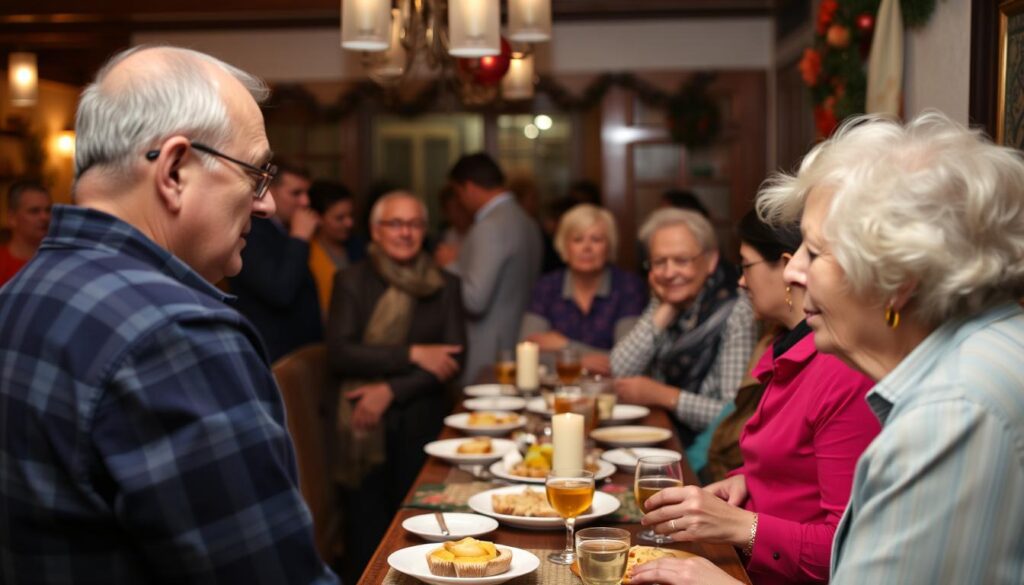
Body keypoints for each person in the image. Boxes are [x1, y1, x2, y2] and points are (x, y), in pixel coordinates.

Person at [0, 46, 337, 584]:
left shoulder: (19, 295)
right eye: (256, 173)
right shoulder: (179, 335)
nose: (267, 204)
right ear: (175, 170)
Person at [641, 112, 1024, 584]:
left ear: (897, 278)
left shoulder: (947, 414)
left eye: (815, 253)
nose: (793, 272)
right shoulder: (989, 345)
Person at [635, 210, 879, 585]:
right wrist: (750, 479)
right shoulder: (785, 349)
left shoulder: (842, 371)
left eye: (746, 266)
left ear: (787, 268)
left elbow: (847, 552)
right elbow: (801, 468)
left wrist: (740, 525)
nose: (742, 282)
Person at [326, 191, 465, 583]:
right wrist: (413, 353)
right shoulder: (351, 281)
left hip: (424, 422)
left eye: (415, 224)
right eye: (395, 223)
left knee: (423, 530)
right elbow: (341, 352)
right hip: (361, 426)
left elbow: (455, 359)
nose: (405, 233)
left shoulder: (445, 284)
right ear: (375, 230)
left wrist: (391, 390)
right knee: (366, 533)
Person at [611, 208, 756, 444]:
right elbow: (620, 370)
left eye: (681, 260)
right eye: (659, 262)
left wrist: (663, 395)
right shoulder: (666, 298)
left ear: (710, 261)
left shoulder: (736, 309)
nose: (669, 273)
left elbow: (732, 415)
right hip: (664, 437)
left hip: (710, 456)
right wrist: (666, 308)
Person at [437, 153, 542, 384]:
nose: (460, 202)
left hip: (488, 350)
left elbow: (475, 300)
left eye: (458, 193)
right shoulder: (526, 220)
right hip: (517, 341)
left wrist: (450, 265)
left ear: (469, 188)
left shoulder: (489, 226)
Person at [519, 203, 646, 375]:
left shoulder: (628, 287)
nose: (587, 248)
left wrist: (564, 346)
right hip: (556, 393)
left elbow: (629, 360)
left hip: (611, 394)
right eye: (577, 239)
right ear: (564, 246)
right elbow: (528, 352)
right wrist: (581, 360)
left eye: (596, 240)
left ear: (609, 246)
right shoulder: (547, 286)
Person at [230, 160, 323, 362]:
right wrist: (299, 239)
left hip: (297, 351)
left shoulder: (282, 229)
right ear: (268, 191)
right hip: (269, 354)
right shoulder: (250, 231)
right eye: (296, 193)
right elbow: (280, 292)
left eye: (307, 193)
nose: (305, 202)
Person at [308, 179, 362, 317]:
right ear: (318, 218)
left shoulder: (359, 247)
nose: (349, 223)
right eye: (340, 218)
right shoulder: (307, 252)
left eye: (351, 216)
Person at [0, 180, 51, 286]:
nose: (44, 217)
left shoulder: (57, 261)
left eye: (48, 210)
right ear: (12, 218)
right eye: (34, 211)